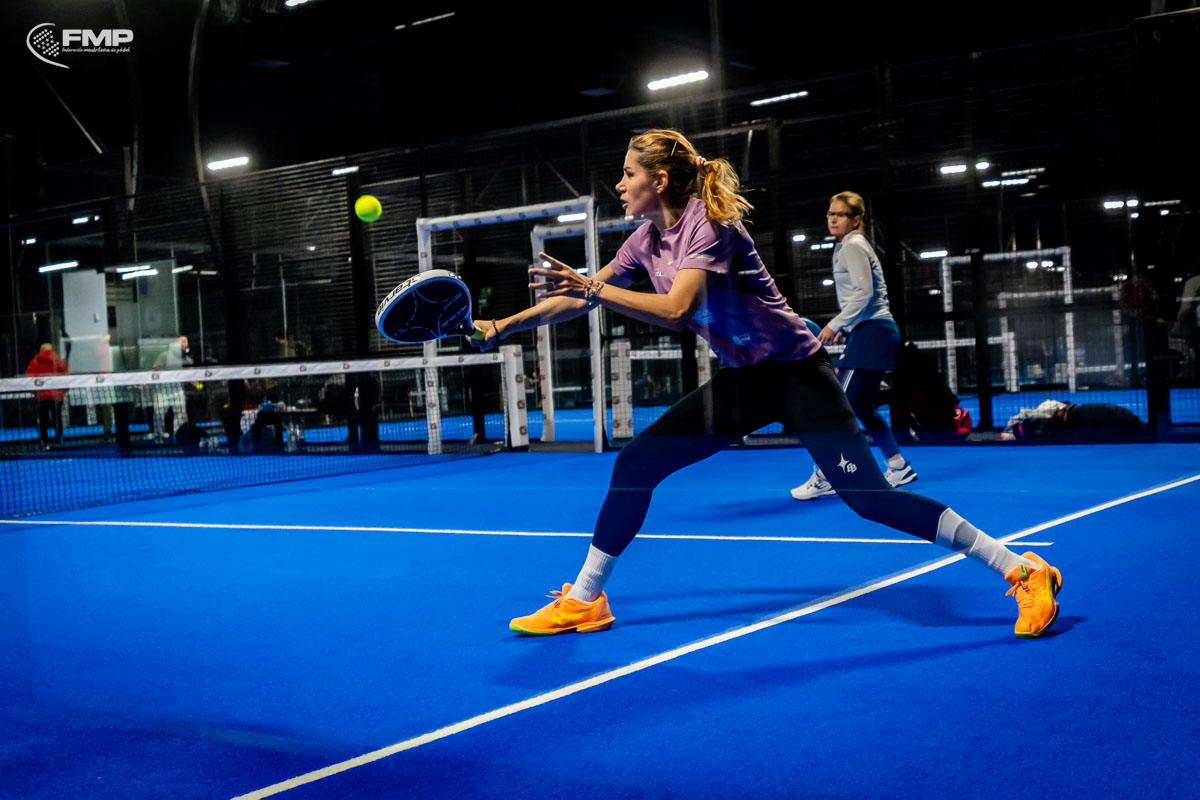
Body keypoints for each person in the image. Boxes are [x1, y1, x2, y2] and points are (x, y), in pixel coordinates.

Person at [472, 129, 1061, 640]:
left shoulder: (711, 225)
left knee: (870, 500)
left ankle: (1021, 569)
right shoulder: (643, 242)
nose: (619, 185)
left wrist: (593, 288)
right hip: (747, 379)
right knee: (636, 463)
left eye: (628, 174)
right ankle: (585, 598)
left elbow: (676, 309)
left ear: (661, 180)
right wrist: (500, 326)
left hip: (798, 373)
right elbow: (581, 297)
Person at [790, 192, 915, 501]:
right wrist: (848, 326)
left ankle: (827, 475)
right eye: (830, 213)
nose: (833, 219)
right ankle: (898, 466)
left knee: (836, 406)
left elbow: (864, 293)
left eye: (841, 214)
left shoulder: (853, 245)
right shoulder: (848, 245)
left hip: (873, 332)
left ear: (857, 219)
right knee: (861, 407)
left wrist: (837, 324)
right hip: (874, 332)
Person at [25, 343, 70, 447]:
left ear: (41, 351)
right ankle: (59, 439)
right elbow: (66, 378)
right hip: (57, 396)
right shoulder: (59, 363)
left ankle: (44, 441)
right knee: (57, 417)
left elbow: (29, 379)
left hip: (41, 397)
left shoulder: (34, 363)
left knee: (43, 419)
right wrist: (62, 391)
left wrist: (35, 393)